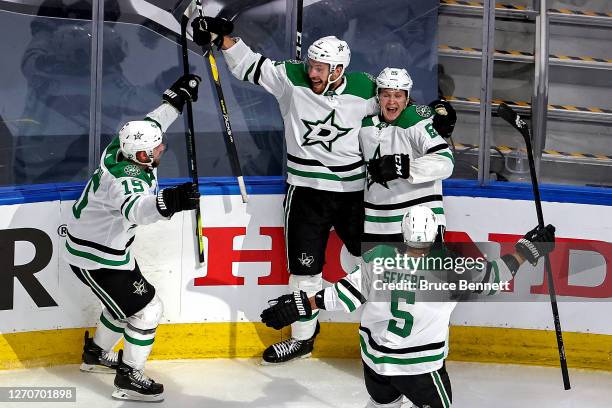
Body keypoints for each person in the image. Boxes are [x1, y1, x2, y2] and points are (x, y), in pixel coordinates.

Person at [191, 17, 379, 363]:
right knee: (304, 273)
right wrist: (220, 37)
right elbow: (250, 64)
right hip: (305, 193)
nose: (313, 72)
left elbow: (399, 110)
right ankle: (303, 339)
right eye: (312, 64)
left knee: (374, 264)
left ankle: (380, 335)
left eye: (322, 68)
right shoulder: (291, 78)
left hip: (355, 193)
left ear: (339, 69)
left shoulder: (366, 88)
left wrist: (434, 115)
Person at [261, 205, 556, 408]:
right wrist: (528, 250)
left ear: (403, 233)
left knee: (382, 404)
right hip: (419, 369)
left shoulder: (378, 259)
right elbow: (495, 276)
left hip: (375, 363)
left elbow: (339, 296)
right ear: (436, 233)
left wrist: (301, 305)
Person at [63, 74, 201, 402]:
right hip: (96, 260)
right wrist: (171, 202)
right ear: (141, 156)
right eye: (156, 148)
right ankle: (128, 378)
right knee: (148, 310)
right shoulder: (126, 180)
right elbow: (136, 210)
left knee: (123, 307)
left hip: (108, 252)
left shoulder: (120, 148)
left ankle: (96, 355)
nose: (161, 148)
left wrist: (175, 101)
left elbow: (151, 123)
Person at [361, 68, 455, 245]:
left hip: (419, 221)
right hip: (376, 225)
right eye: (386, 95)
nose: (391, 101)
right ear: (377, 96)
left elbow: (445, 160)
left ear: (406, 98)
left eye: (398, 96)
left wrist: (402, 167)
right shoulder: (364, 126)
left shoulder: (415, 120)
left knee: (424, 274)